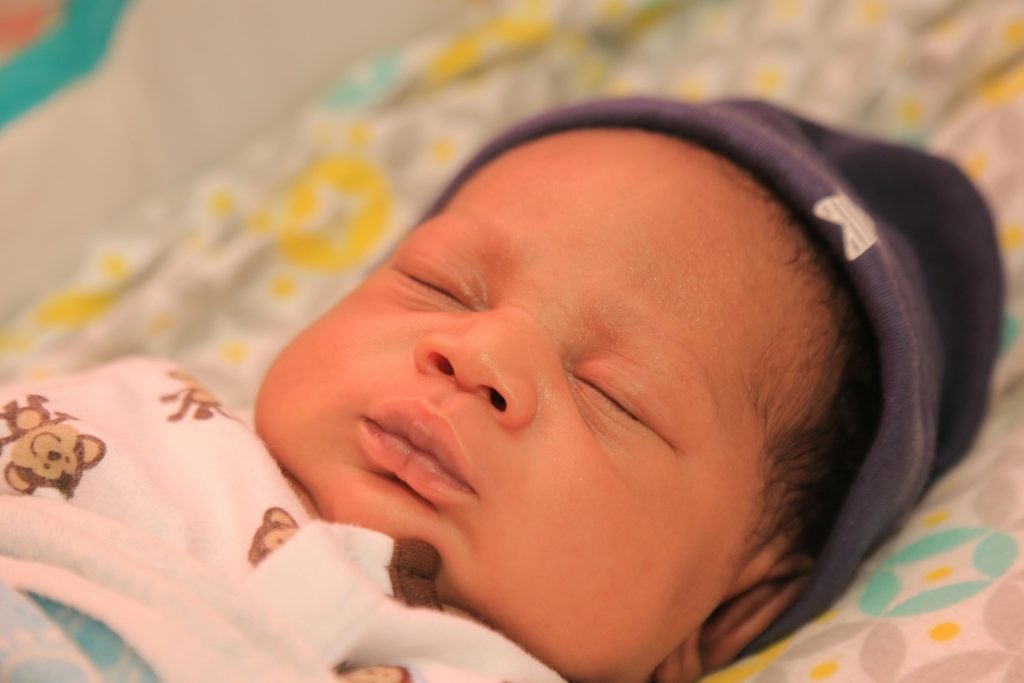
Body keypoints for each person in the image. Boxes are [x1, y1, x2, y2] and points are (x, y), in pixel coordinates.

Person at [0, 98, 1003, 683]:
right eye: (438, 285)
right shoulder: (132, 419)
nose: (480, 352)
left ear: (734, 607)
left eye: (615, 394)